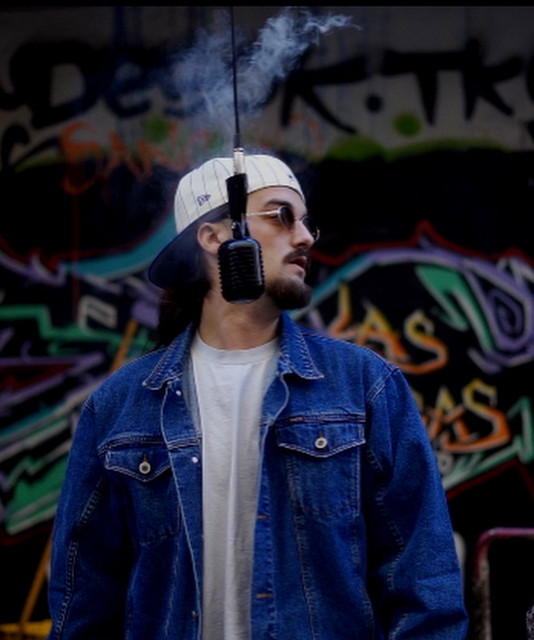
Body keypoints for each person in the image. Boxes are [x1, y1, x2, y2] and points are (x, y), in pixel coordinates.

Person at [47, 153, 468, 639]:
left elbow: (424, 583)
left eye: (305, 221)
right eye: (282, 215)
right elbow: (84, 602)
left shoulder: (365, 386)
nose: (305, 237)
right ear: (213, 236)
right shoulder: (120, 407)